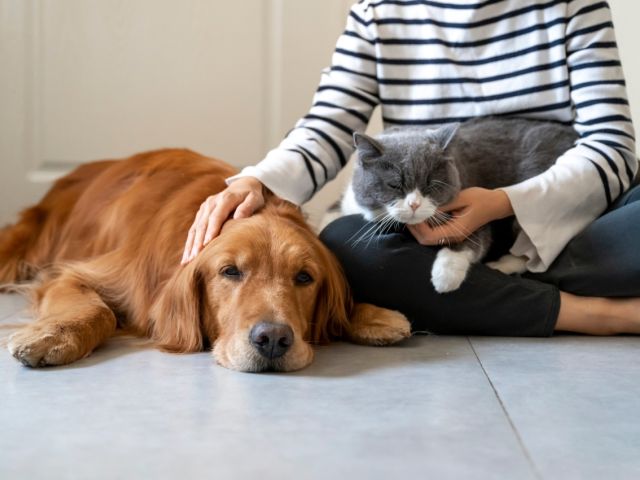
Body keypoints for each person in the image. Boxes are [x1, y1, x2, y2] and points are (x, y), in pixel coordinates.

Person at [182, 0, 640, 336]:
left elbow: (613, 146)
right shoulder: (378, 12)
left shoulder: (573, 6)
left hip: (569, 210)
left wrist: (503, 203)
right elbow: (329, 125)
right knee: (344, 245)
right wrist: (256, 180)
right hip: (426, 226)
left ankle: (495, 289)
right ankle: (597, 311)